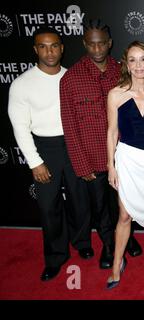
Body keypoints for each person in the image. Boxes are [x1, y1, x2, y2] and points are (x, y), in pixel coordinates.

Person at [8, 27, 91, 281]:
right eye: (43, 46)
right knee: (48, 207)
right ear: (35, 49)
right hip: (44, 148)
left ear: (62, 47)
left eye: (54, 45)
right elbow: (20, 127)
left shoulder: (73, 78)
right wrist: (35, 161)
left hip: (74, 145)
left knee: (80, 200)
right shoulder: (22, 84)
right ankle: (55, 256)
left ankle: (82, 243)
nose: (49, 51)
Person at [60, 19, 142, 269]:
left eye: (102, 44)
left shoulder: (123, 71)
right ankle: (108, 245)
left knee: (125, 203)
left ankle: (127, 239)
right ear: (85, 43)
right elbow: (69, 126)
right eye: (91, 44)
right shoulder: (70, 79)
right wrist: (81, 164)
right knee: (100, 208)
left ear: (110, 43)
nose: (97, 49)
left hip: (124, 155)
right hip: (93, 157)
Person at [105, 41, 144, 289]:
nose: (138, 65)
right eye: (133, 59)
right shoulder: (116, 94)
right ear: (126, 64)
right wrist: (110, 165)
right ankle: (117, 263)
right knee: (124, 214)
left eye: (143, 59)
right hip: (127, 159)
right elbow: (111, 132)